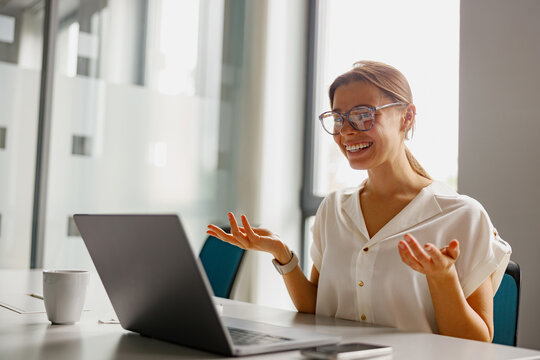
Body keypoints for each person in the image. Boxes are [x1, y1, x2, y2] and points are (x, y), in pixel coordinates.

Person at [207, 60, 511, 342]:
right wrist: (282, 254)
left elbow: (477, 344)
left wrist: (443, 278)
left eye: (364, 115)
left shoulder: (461, 215)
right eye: (338, 119)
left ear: (407, 117)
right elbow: (316, 309)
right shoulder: (334, 209)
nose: (347, 130)